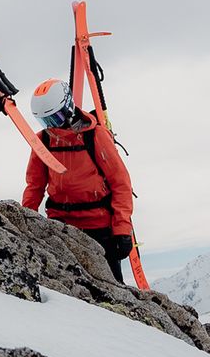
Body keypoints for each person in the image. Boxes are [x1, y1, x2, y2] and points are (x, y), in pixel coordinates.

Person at [22, 78, 134, 283]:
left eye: (55, 119)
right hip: (60, 226)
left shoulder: (95, 136)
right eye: (46, 121)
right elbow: (34, 186)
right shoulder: (43, 141)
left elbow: (121, 183)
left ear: (68, 107)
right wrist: (25, 219)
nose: (52, 127)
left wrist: (122, 230)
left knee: (111, 287)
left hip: (100, 228)